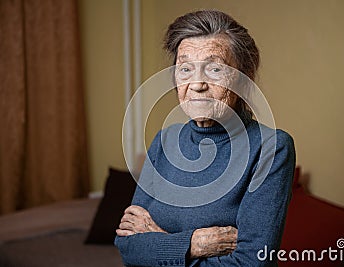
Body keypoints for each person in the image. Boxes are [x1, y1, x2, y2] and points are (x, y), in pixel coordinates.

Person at [115, 10, 295, 267]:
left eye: (214, 68)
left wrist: (161, 244)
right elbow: (128, 248)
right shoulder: (164, 140)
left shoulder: (271, 148)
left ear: (244, 80)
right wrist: (194, 244)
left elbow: (252, 264)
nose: (197, 83)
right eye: (185, 68)